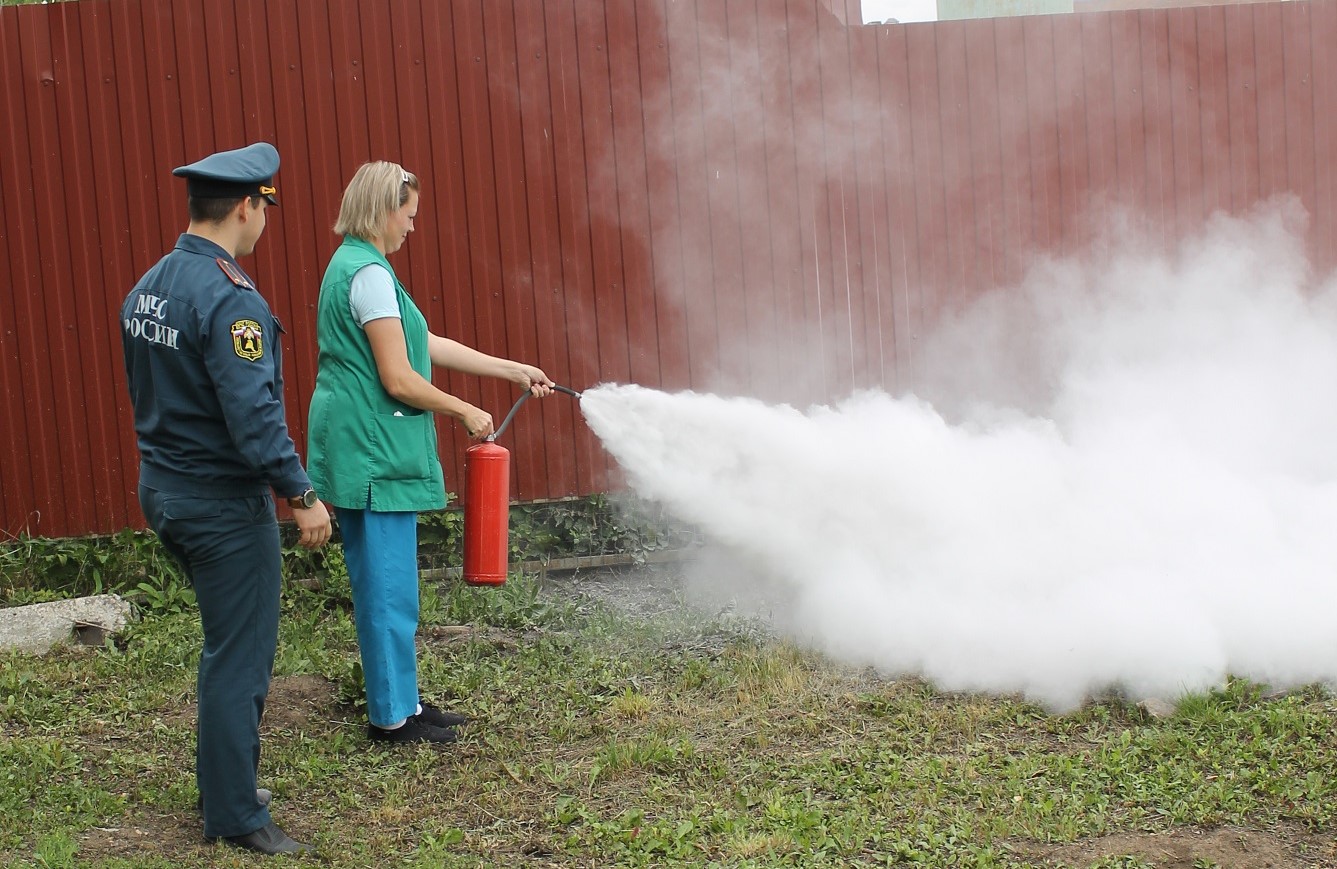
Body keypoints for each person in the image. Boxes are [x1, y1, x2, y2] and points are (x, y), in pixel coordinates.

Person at [120, 142, 332, 856]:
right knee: (239, 657)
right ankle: (236, 813)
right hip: (220, 504)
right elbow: (254, 417)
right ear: (248, 206)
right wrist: (300, 491)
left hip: (166, 490)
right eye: (264, 209)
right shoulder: (230, 297)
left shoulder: (150, 283)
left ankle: (224, 782)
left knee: (223, 647)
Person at [306, 161, 554, 744]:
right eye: (409, 215)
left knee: (393, 586)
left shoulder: (362, 268)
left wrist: (508, 369)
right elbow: (399, 377)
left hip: (371, 447)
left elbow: (422, 342)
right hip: (373, 453)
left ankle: (405, 702)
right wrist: (463, 410)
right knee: (387, 588)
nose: (412, 227)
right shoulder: (366, 275)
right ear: (382, 209)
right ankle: (392, 718)